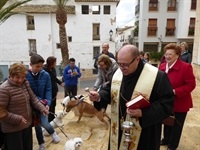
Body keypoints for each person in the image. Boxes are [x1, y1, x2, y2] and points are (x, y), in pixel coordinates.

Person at [89, 44, 174, 150]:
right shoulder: (118, 73)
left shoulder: (158, 76)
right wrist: (99, 96)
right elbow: (110, 89)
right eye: (119, 64)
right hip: (119, 129)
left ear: (137, 59)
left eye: (125, 64)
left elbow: (167, 104)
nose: (122, 68)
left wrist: (143, 113)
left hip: (145, 133)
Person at [0, 63, 49, 150]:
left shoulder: (25, 83)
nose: (20, 80)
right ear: (11, 75)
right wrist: (18, 119)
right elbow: (1, 112)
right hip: (12, 129)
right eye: (17, 77)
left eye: (22, 77)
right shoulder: (4, 89)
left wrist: (42, 108)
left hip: (26, 124)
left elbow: (33, 98)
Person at [159, 43, 196, 150]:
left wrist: (174, 91)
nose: (167, 56)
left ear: (177, 55)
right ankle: (166, 139)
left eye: (170, 54)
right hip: (166, 102)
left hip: (180, 102)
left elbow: (191, 85)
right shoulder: (161, 66)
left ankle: (172, 145)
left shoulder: (186, 67)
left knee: (176, 125)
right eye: (166, 54)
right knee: (166, 121)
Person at [26, 54, 60, 150]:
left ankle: (53, 133)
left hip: (44, 104)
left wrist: (48, 103)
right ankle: (41, 143)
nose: (40, 68)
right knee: (37, 125)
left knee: (44, 123)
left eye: (41, 66)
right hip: (32, 105)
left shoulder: (45, 75)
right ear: (31, 65)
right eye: (37, 66)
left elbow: (48, 90)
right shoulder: (25, 75)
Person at [43, 56, 64, 122]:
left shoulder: (53, 69)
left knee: (54, 105)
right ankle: (49, 120)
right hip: (48, 91)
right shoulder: (44, 70)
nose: (56, 63)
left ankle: (52, 119)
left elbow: (54, 78)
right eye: (55, 62)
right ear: (51, 62)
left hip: (54, 90)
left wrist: (60, 83)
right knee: (49, 105)